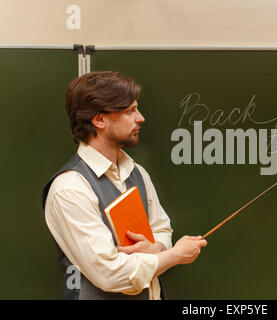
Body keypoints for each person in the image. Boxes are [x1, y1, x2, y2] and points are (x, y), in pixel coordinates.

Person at [41, 71, 207, 300]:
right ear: (99, 120)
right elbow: (111, 274)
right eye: (130, 111)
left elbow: (162, 229)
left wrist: (155, 248)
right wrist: (174, 255)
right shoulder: (70, 189)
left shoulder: (137, 173)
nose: (141, 118)